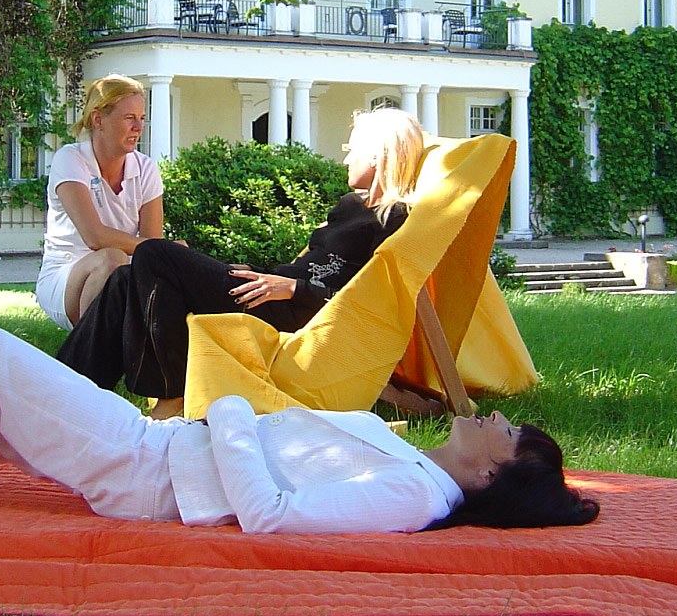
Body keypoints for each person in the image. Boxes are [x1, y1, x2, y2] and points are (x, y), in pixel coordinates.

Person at [0, 323, 599, 534]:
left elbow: (270, 516)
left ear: (493, 474)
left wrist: (224, 406)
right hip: (160, 445)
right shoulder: (414, 465)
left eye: (509, 430)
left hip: (149, 470)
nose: (495, 412)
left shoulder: (410, 499)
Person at [56, 106, 424, 418]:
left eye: (352, 149)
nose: (345, 157)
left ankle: (170, 397)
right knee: (126, 277)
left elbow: (368, 299)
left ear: (377, 156)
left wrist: (295, 288)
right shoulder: (353, 207)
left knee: (154, 253)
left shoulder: (394, 218)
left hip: (293, 307)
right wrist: (276, 277)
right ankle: (64, 391)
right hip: (272, 289)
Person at [35, 74, 165, 330]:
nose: (139, 127)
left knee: (151, 270)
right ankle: (85, 358)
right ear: (98, 119)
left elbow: (152, 251)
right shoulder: (70, 159)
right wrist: (163, 250)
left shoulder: (146, 168)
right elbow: (94, 237)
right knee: (111, 259)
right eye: (129, 118)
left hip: (121, 272)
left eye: (141, 118)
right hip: (65, 277)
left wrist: (166, 254)